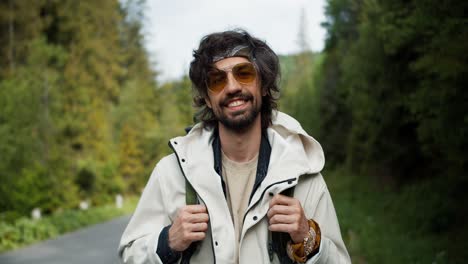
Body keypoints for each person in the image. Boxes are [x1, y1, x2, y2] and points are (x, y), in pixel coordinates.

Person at [118, 29, 350, 264]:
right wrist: (167, 243)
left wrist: (307, 238)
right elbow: (130, 256)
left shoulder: (304, 175)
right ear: (207, 98)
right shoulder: (171, 174)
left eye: (244, 74)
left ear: (263, 85)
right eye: (217, 80)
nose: (231, 87)